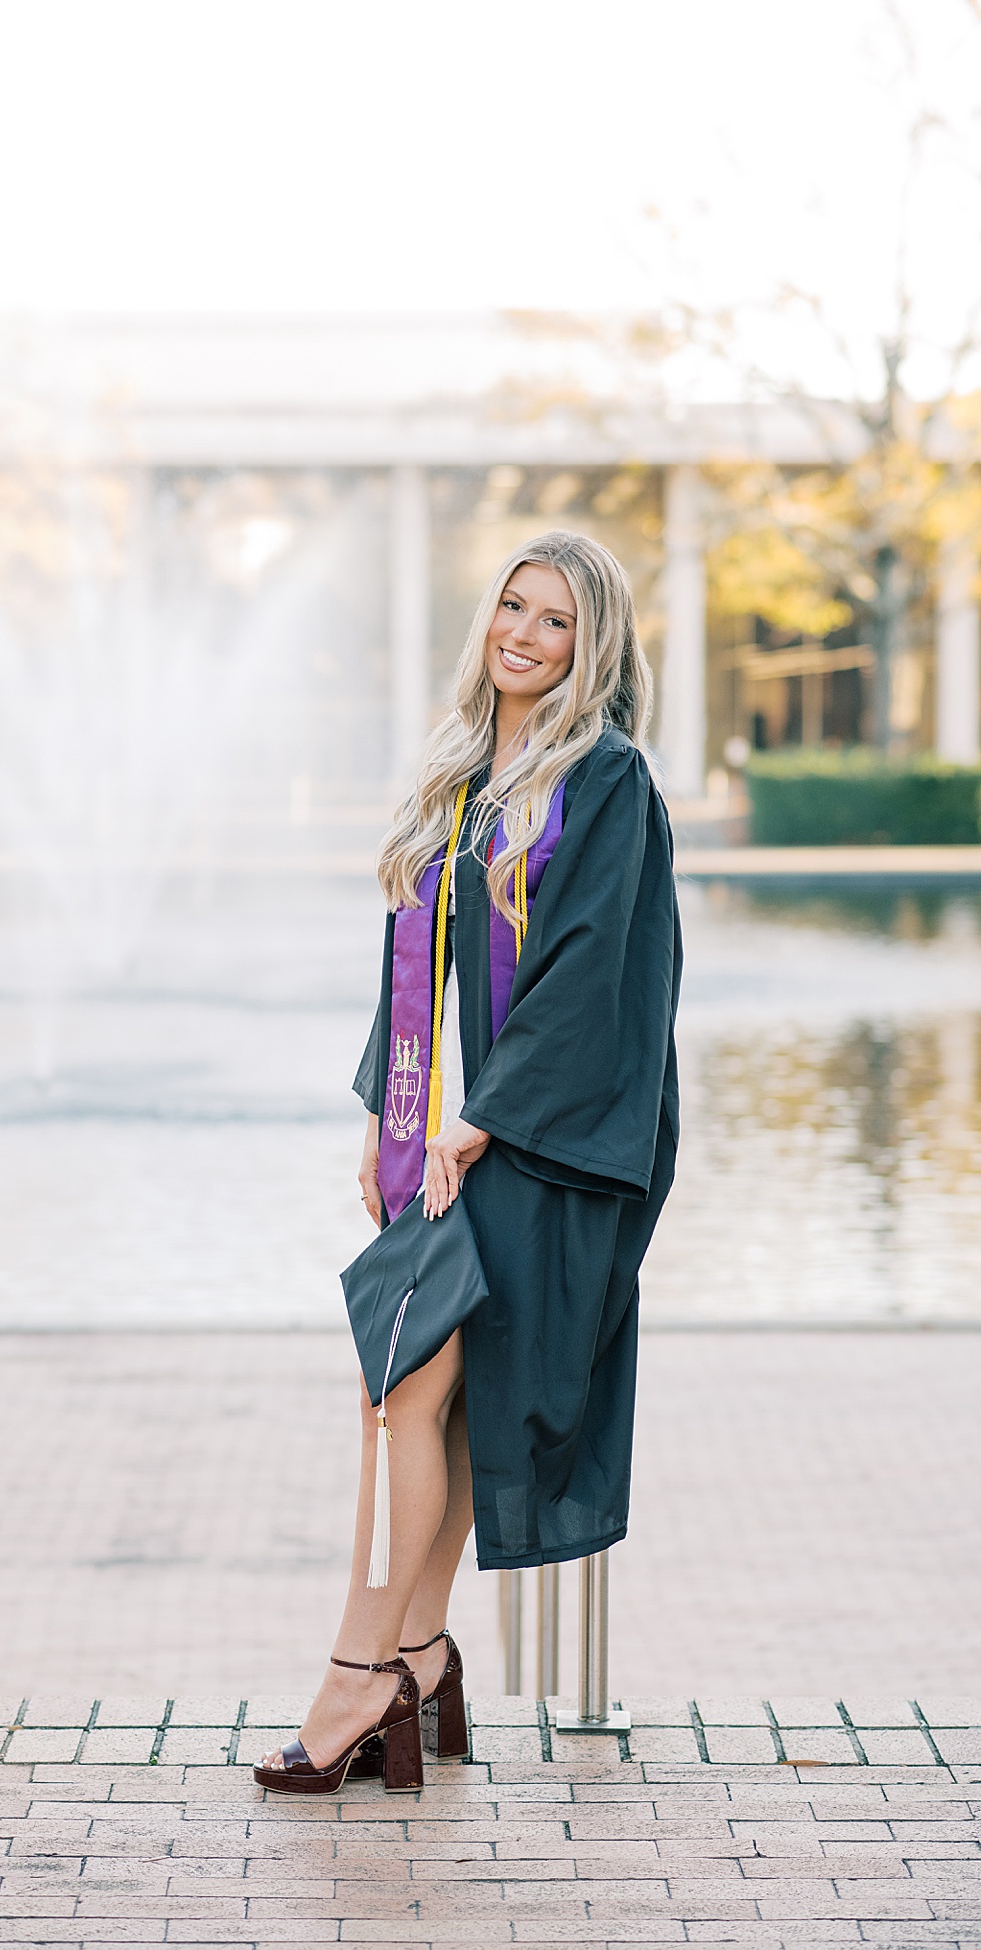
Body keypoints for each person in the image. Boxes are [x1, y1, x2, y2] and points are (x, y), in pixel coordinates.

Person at [255, 530, 681, 1795]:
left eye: (555, 620)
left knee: (414, 1392)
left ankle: (361, 1671)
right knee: (413, 1391)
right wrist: (390, 1122)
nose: (524, 634)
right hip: (452, 1136)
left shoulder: (607, 784)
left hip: (545, 1136)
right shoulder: (459, 776)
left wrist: (481, 1117)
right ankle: (416, 1661)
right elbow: (409, 970)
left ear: (589, 646)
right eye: (512, 605)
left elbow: (600, 969)